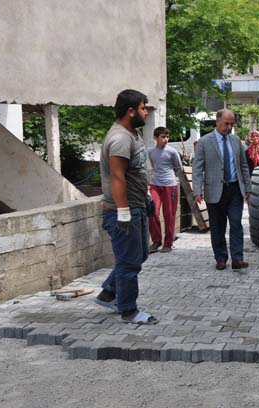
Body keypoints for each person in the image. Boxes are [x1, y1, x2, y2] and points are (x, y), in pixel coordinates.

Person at [93, 89, 158, 325]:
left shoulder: (133, 134)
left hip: (137, 205)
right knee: (129, 262)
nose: (145, 112)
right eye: (142, 108)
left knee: (139, 255)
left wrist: (146, 196)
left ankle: (109, 292)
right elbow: (117, 176)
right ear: (131, 111)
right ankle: (129, 310)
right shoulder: (120, 139)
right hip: (124, 210)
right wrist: (123, 213)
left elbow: (136, 172)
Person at [192, 109, 251, 271]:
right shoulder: (204, 142)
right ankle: (220, 258)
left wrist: (248, 187)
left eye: (232, 124)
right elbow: (197, 168)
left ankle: (237, 258)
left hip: (234, 190)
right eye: (226, 124)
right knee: (217, 227)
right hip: (214, 190)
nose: (229, 127)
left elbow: (243, 166)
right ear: (217, 122)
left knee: (236, 224)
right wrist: (197, 191)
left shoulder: (236, 141)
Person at [148, 126, 183, 254]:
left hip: (170, 186)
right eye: (163, 137)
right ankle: (156, 240)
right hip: (155, 185)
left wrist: (171, 177)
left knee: (169, 215)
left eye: (167, 137)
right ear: (155, 138)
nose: (166, 139)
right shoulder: (150, 152)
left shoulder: (172, 152)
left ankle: (168, 243)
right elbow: (153, 165)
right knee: (152, 212)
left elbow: (179, 167)